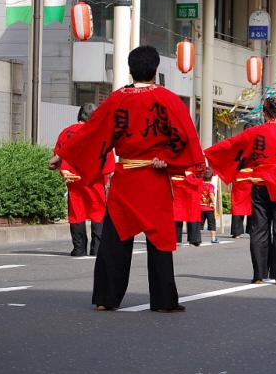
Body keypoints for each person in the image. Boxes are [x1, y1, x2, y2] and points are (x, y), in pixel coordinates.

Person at [51, 46, 205, 312]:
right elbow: (185, 136)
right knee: (158, 240)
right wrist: (167, 157)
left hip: (126, 177)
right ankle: (164, 300)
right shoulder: (167, 99)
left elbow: (93, 133)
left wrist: (63, 156)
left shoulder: (117, 99)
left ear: (130, 68)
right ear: (155, 70)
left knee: (115, 238)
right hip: (154, 178)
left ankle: (105, 299)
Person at [206, 97, 276, 284]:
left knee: (259, 230)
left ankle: (259, 274)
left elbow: (230, 145)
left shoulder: (253, 133)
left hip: (259, 185)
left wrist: (208, 153)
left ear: (264, 113)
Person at [55, 103, 115, 257]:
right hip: (95, 179)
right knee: (98, 212)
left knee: (77, 213)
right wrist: (107, 181)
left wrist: (63, 170)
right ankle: (97, 248)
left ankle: (79, 249)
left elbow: (58, 157)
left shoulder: (66, 132)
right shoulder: (98, 133)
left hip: (74, 179)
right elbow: (107, 159)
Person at [230, 123, 256, 238]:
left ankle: (237, 232)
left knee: (238, 203)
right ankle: (252, 230)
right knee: (253, 203)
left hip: (239, 175)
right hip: (252, 175)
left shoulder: (237, 143)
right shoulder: (257, 144)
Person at [172, 166, 203, 247]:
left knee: (192, 213)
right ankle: (175, 239)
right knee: (178, 213)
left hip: (192, 186)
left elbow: (201, 170)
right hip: (179, 184)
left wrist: (190, 175)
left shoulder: (195, 157)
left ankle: (194, 239)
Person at [199, 170, 219, 244]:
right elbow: (211, 194)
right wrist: (213, 202)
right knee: (212, 223)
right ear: (211, 178)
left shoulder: (200, 185)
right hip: (209, 207)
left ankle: (198, 238)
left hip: (200, 207)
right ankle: (213, 238)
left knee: (200, 223)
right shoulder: (211, 186)